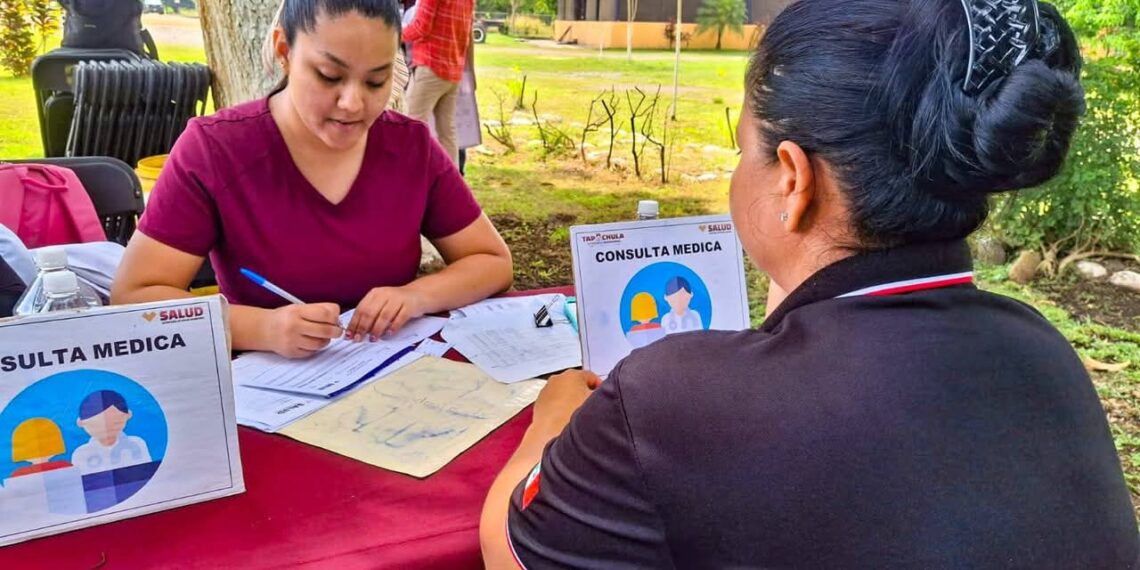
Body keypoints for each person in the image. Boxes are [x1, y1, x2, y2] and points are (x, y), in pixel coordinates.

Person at [480, 0, 1139, 567]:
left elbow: (508, 554)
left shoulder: (673, 399)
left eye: (744, 149)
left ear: (793, 179)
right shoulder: (1041, 353)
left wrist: (552, 419)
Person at [112, 0, 512, 359]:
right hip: (262, 393)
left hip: (390, 377)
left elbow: (491, 262)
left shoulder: (410, 146)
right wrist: (262, 328)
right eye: (328, 76)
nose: (353, 103)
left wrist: (416, 296)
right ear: (284, 50)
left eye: (376, 81)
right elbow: (135, 299)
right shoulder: (216, 149)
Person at [402, 0, 474, 165]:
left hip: (430, 66)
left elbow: (420, 27)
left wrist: (391, 34)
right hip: (453, 71)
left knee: (412, 126)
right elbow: (467, 35)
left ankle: (414, 179)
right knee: (447, 132)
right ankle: (452, 184)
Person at [71, 390, 152, 475]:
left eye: (115, 422)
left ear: (127, 415)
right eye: (97, 424)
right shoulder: (81, 454)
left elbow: (147, 473)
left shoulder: (137, 444)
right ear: (81, 423)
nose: (107, 427)